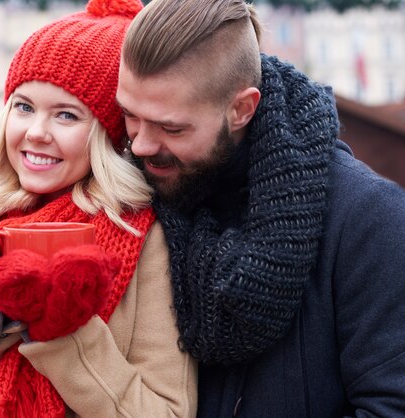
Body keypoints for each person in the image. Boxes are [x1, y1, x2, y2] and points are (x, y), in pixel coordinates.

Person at [0, 0, 198, 417]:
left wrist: (67, 331)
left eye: (66, 115)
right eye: (24, 106)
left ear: (107, 134)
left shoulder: (143, 233)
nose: (36, 132)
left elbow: (168, 412)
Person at [116, 0, 405, 416]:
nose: (139, 145)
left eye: (170, 127)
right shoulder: (126, 197)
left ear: (241, 109)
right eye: (129, 115)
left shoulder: (369, 220)